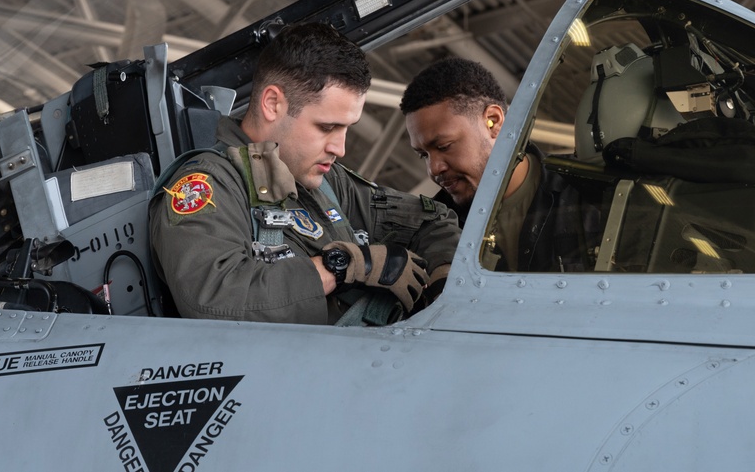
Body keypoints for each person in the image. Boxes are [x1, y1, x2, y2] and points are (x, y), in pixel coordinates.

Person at [150, 23, 458, 324]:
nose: (340, 148)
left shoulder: (329, 183)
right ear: (273, 104)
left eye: (347, 129)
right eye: (327, 127)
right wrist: (342, 266)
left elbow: (432, 219)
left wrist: (443, 284)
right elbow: (215, 299)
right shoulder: (208, 186)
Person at [400, 57, 597, 273]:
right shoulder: (431, 230)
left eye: (445, 146)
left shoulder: (593, 192)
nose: (434, 168)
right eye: (423, 155)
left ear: (493, 121)